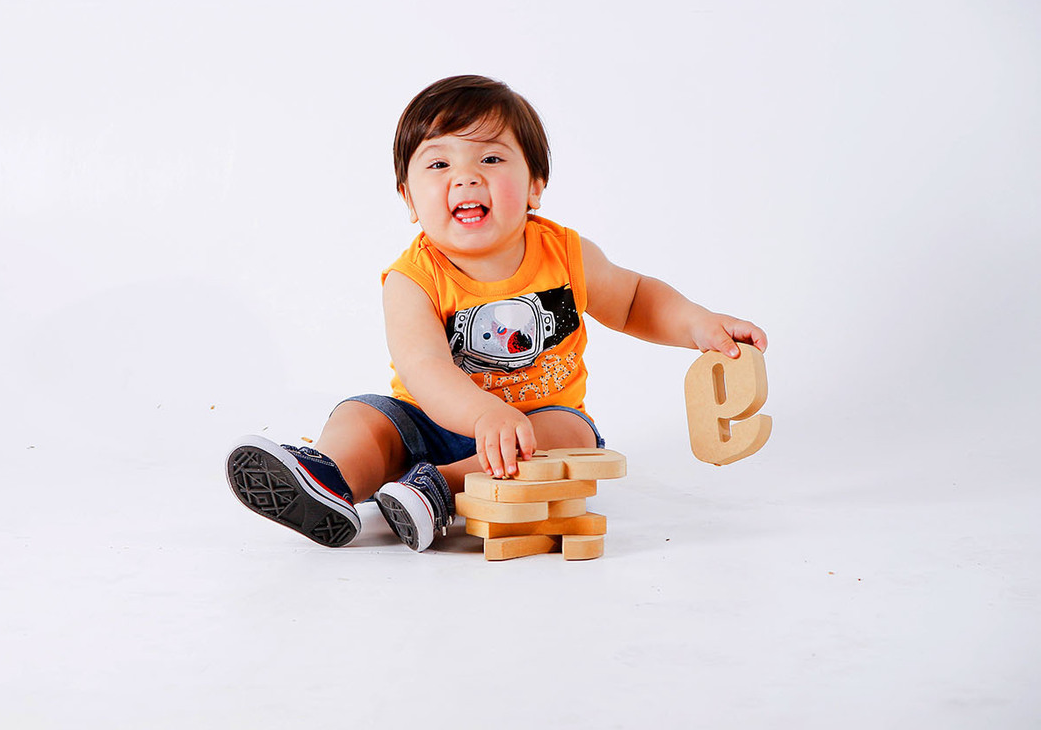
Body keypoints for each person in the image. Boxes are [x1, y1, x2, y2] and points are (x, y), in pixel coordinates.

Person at [226, 75, 768, 551]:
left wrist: (698, 323)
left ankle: (437, 490)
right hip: (427, 421)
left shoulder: (565, 253)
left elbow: (632, 300)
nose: (464, 177)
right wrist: (483, 414)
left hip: (534, 426)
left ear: (535, 184)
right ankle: (328, 478)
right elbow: (425, 369)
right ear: (410, 199)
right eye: (439, 163)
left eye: (490, 158)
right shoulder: (413, 278)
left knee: (571, 435)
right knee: (364, 417)